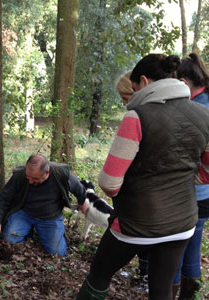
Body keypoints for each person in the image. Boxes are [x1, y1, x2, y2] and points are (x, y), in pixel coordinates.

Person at [75, 54, 209, 300]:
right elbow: (207, 171)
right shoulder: (204, 114)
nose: (132, 96)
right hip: (182, 222)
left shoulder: (136, 117)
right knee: (161, 287)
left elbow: (109, 182)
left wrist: (129, 194)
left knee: (100, 273)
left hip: (137, 222)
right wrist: (184, 182)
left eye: (133, 88)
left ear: (144, 82)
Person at [0, 154, 87, 256]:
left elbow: (79, 189)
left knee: (57, 253)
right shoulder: (20, 174)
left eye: (35, 179)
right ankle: (28, 232)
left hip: (50, 217)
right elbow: (3, 198)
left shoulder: (60, 173)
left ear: (47, 173)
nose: (30, 181)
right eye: (28, 177)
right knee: (10, 241)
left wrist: (82, 202)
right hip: (24, 214)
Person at [172, 52, 209, 299]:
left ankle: (168, 293)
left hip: (192, 190)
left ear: (184, 82)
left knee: (172, 247)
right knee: (192, 247)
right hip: (204, 194)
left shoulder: (197, 107)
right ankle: (190, 295)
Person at [115, 71, 150, 279]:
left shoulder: (138, 118)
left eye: (126, 98)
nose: (123, 104)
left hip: (140, 194)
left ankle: (145, 274)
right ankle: (143, 272)